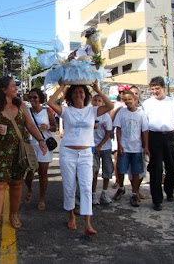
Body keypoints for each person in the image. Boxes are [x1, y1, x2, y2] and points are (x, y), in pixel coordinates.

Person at [0, 76, 47, 237]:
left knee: (17, 184)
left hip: (18, 150)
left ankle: (13, 214)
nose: (16, 88)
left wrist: (40, 140)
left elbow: (30, 125)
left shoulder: (21, 106)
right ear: (4, 89)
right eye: (13, 86)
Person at [48, 80, 114, 235]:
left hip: (86, 154)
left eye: (82, 92)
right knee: (70, 186)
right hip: (68, 153)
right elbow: (51, 102)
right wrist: (62, 87)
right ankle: (71, 216)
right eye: (76, 92)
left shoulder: (92, 111)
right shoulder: (66, 110)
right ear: (71, 95)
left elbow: (110, 106)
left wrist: (97, 89)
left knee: (86, 187)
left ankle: (88, 223)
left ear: (86, 95)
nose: (79, 94)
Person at [142, 76, 174, 211]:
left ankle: (169, 191)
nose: (155, 91)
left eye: (157, 89)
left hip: (170, 137)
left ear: (163, 88)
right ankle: (157, 200)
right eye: (153, 89)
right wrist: (145, 144)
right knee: (156, 169)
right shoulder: (147, 104)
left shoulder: (172, 102)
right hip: (153, 137)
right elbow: (143, 125)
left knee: (172, 167)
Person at [112, 91, 150, 207]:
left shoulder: (141, 114)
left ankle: (134, 193)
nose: (128, 102)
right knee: (121, 169)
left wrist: (146, 146)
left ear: (135, 100)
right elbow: (118, 128)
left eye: (130, 99)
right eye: (126, 100)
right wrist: (119, 144)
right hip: (124, 146)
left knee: (136, 171)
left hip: (137, 148)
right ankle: (121, 187)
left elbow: (145, 131)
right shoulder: (121, 113)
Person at [24, 88, 57, 211]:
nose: (32, 100)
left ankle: (41, 198)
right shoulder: (26, 111)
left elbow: (54, 127)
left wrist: (47, 126)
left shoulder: (47, 111)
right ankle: (30, 189)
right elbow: (22, 125)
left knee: (43, 172)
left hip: (45, 145)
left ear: (40, 98)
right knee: (29, 173)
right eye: (30, 97)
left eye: (35, 97)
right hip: (30, 145)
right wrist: (25, 133)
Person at [91, 94, 114, 205]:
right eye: (95, 100)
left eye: (99, 101)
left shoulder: (106, 116)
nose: (97, 102)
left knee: (107, 170)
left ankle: (104, 193)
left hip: (105, 147)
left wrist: (100, 145)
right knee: (94, 171)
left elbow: (108, 132)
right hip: (92, 147)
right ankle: (93, 194)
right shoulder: (90, 113)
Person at [128, 85, 146, 201]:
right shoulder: (124, 109)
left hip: (141, 145)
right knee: (131, 171)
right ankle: (134, 191)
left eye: (136, 93)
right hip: (129, 146)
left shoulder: (144, 109)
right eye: (132, 93)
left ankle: (137, 189)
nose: (134, 95)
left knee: (141, 170)